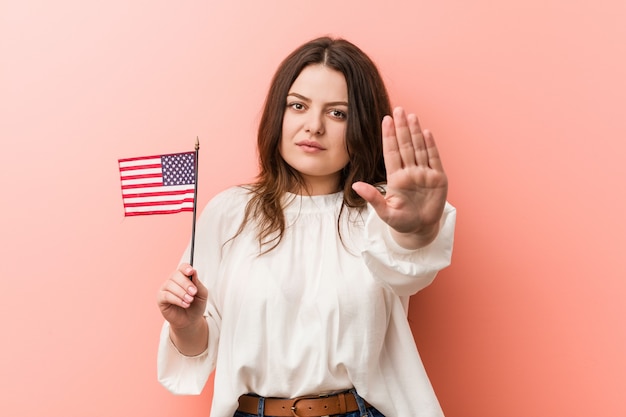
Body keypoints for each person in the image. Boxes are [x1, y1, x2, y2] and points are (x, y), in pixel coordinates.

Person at [156, 36, 456, 417]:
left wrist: (415, 231)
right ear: (278, 114)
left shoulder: (381, 209)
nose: (313, 126)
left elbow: (407, 270)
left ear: (361, 124)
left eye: (338, 113)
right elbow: (202, 348)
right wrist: (185, 325)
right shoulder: (230, 213)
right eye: (298, 106)